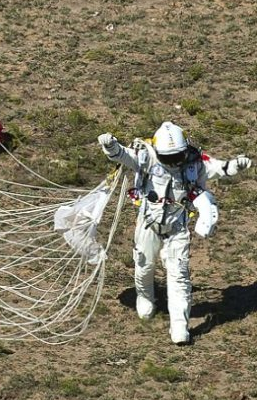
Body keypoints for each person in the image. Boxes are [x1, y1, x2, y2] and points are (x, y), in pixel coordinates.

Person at [98, 121, 252, 344]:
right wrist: (111, 146)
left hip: (177, 228)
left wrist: (235, 165)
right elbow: (124, 156)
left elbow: (218, 168)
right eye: (168, 158)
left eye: (176, 156)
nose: (173, 162)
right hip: (149, 223)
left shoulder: (194, 162)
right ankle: (145, 296)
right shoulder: (147, 156)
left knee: (179, 276)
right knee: (143, 264)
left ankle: (180, 326)